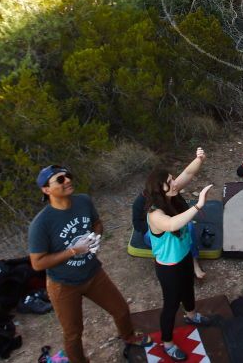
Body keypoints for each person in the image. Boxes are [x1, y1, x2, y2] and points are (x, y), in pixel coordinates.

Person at [28, 165, 150, 363]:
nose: (67, 180)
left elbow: (97, 223)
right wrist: (74, 251)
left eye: (68, 176)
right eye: (59, 180)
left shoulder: (83, 201)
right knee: (73, 333)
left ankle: (128, 336)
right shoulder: (41, 223)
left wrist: (95, 237)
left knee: (121, 310)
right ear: (46, 189)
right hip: (63, 284)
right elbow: (37, 263)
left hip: (93, 274)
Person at [145, 148, 213, 361]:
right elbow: (172, 223)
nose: (175, 183)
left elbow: (189, 173)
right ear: (159, 190)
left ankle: (192, 316)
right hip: (168, 267)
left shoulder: (171, 193)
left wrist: (199, 159)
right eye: (170, 182)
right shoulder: (155, 214)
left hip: (183, 257)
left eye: (173, 180)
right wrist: (199, 205)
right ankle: (167, 343)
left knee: (188, 289)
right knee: (171, 304)